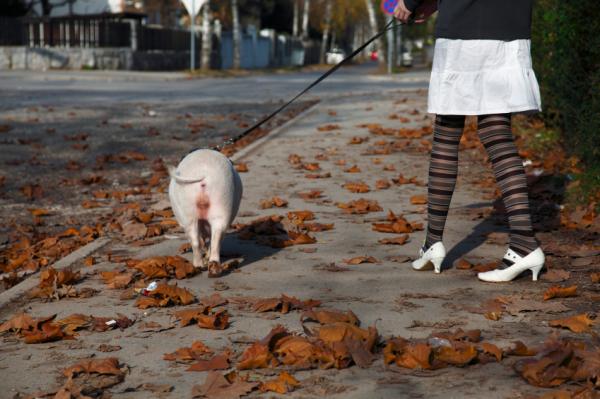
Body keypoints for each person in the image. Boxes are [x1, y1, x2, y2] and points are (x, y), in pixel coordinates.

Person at [394, 0, 545, 282]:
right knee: (497, 134)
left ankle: (433, 243)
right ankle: (524, 243)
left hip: (462, 29)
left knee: (447, 134)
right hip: (509, 26)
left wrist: (411, 2)